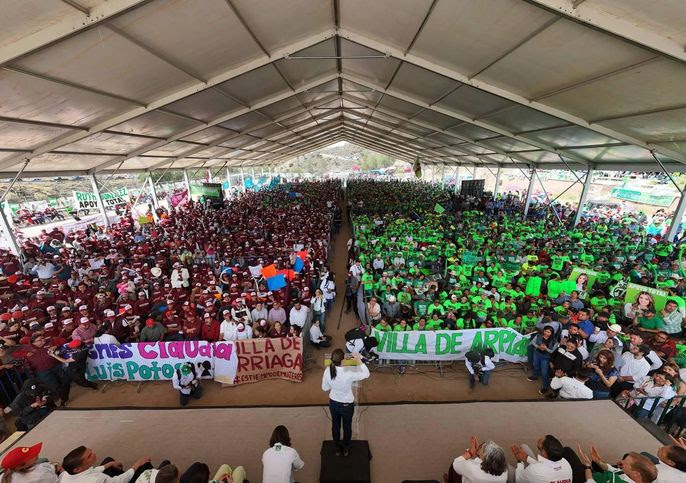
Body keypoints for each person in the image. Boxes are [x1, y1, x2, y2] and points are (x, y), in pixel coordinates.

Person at [321, 349, 370, 456]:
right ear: (343, 360)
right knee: (347, 426)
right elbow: (366, 374)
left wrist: (334, 386)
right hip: (347, 405)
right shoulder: (348, 372)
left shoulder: (327, 370)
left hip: (334, 403)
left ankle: (336, 448)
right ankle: (346, 448)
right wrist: (358, 359)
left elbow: (325, 388)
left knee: (335, 425)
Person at [59, 446, 150, 483]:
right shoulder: (96, 480)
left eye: (91, 451)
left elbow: (91, 471)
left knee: (108, 461)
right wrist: (136, 465)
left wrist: (110, 464)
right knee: (145, 466)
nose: (94, 454)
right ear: (77, 469)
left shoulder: (67, 474)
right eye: (89, 456)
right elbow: (119, 481)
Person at [48, 339, 97, 405]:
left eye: (72, 347)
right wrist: (55, 347)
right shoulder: (79, 343)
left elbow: (65, 361)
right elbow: (65, 345)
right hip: (70, 368)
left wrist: (53, 355)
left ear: (77, 347)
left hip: (78, 370)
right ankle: (64, 400)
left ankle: (93, 385)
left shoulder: (81, 352)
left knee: (82, 382)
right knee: (65, 384)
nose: (70, 348)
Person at [577, 446, 657, 483]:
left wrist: (587, 466)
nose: (621, 462)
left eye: (626, 463)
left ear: (636, 473)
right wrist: (598, 461)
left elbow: (590, 481)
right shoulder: (630, 475)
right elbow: (614, 470)